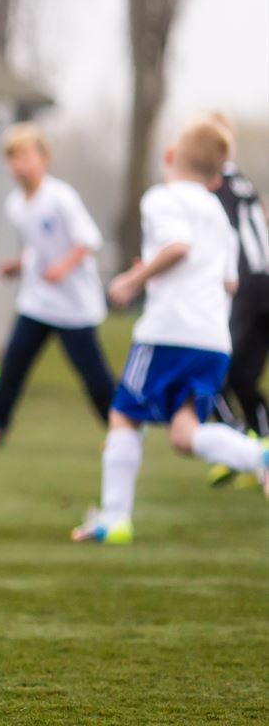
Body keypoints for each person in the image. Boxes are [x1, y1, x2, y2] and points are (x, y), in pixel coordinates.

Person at [72, 117, 268, 545]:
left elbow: (177, 247)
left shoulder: (162, 198)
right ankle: (259, 455)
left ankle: (115, 518)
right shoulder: (219, 213)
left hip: (168, 332)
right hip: (213, 340)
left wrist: (133, 280)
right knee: (184, 435)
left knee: (124, 414)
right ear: (217, 177)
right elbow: (229, 281)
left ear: (169, 157)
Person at [0, 124, 115, 448]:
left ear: (43, 158)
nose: (18, 164)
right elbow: (38, 246)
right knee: (12, 365)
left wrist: (62, 268)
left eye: (24, 156)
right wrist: (18, 264)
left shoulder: (60, 197)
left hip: (74, 305)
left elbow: (89, 240)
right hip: (37, 301)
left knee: (93, 375)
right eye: (12, 158)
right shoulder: (16, 205)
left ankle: (122, 426)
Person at [205, 115, 268, 490]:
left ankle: (235, 443)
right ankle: (253, 442)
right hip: (263, 285)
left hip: (243, 289)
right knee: (243, 376)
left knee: (214, 372)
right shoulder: (242, 181)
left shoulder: (215, 189)